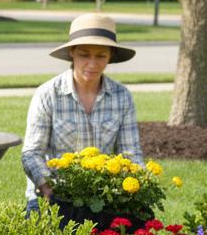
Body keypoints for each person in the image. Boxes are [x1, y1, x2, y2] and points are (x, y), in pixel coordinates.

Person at [22, 13, 143, 212]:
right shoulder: (48, 94)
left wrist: (139, 185)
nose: (92, 64)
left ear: (110, 56)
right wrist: (49, 188)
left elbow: (131, 153)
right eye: (84, 55)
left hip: (103, 196)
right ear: (72, 52)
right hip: (52, 193)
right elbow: (31, 153)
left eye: (100, 56)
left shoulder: (122, 96)